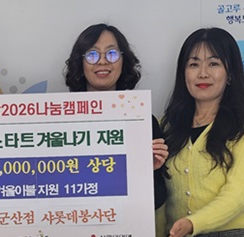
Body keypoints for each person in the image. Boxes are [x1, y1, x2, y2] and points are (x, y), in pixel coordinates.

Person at [156, 27, 244, 237]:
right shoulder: (166, 125)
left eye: (214, 63)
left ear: (230, 73)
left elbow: (238, 194)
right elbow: (159, 196)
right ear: (183, 74)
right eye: (194, 64)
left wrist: (192, 223)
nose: (203, 73)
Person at [64, 23, 169, 214]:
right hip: (72, 227)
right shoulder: (61, 121)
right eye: (92, 54)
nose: (102, 62)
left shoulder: (143, 122)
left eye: (111, 54)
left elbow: (158, 198)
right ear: (80, 62)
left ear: (123, 61)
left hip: (124, 229)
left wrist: (149, 170)